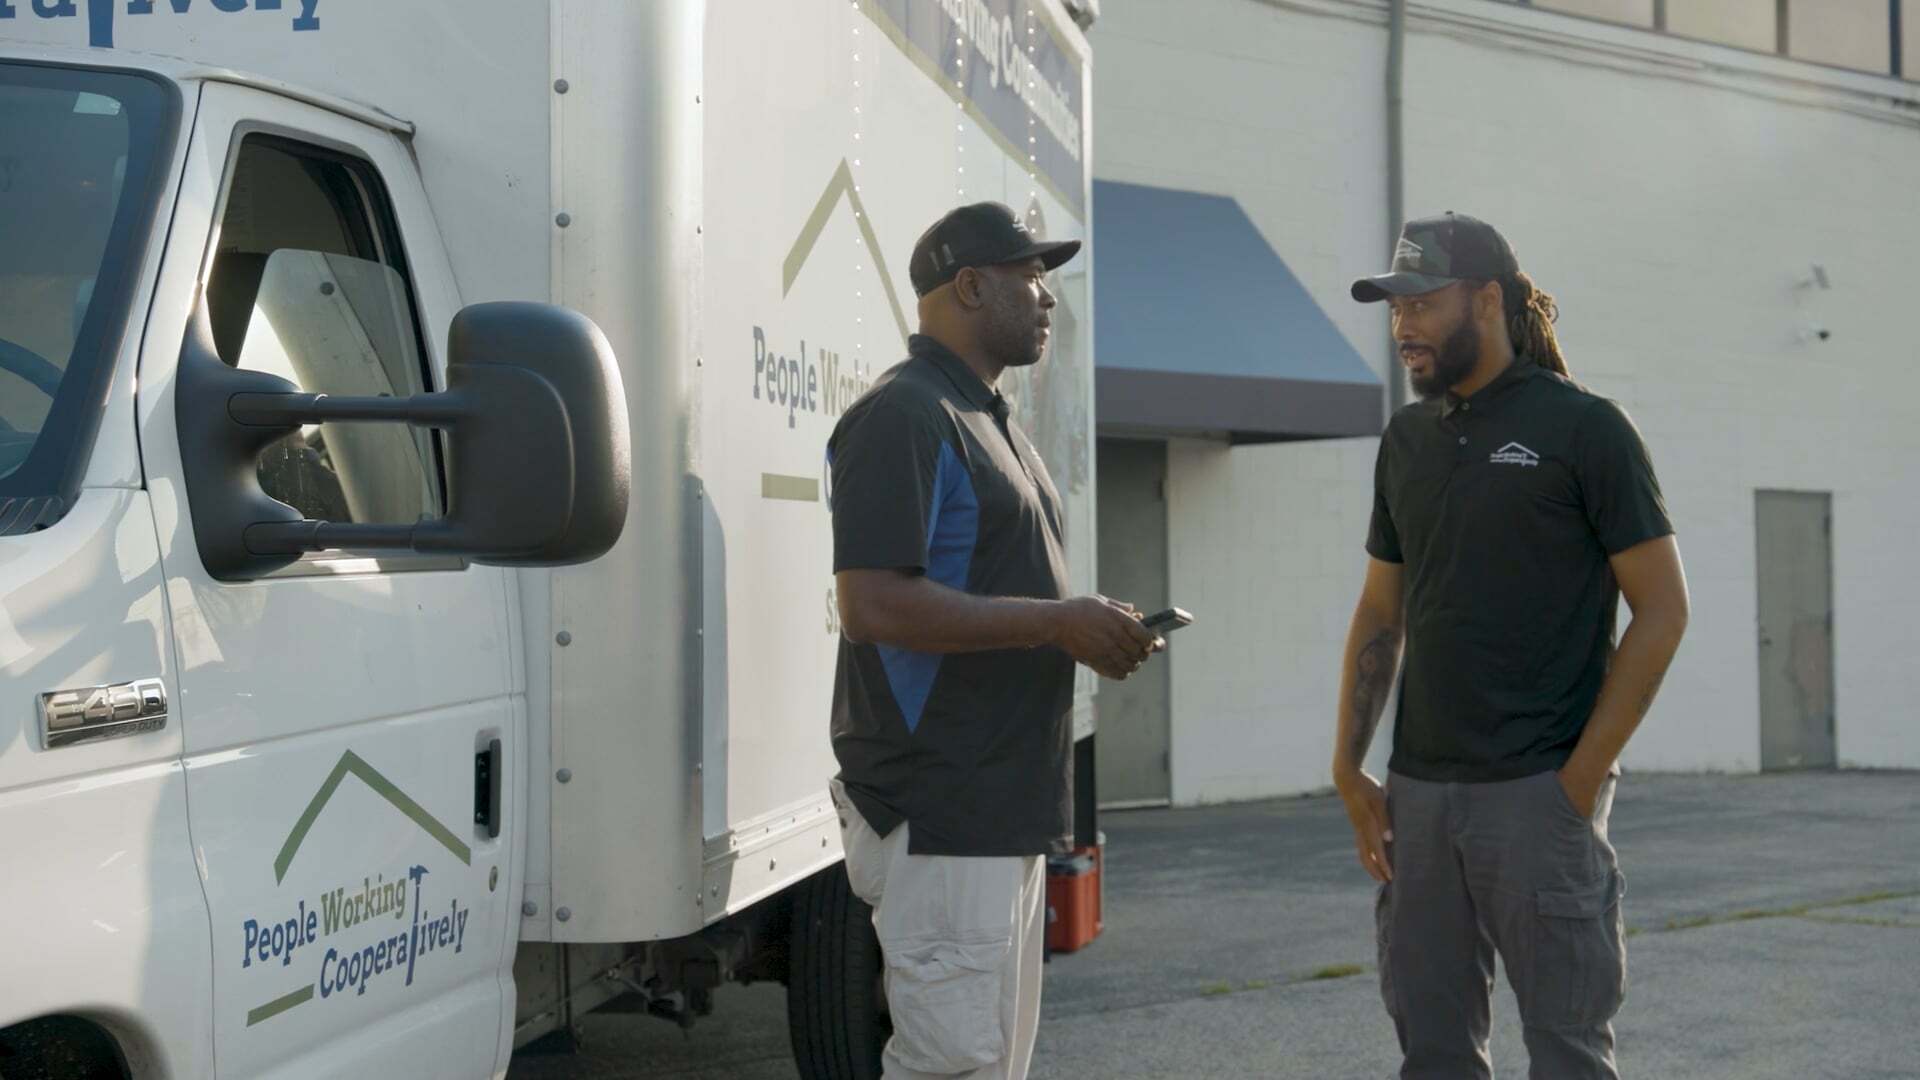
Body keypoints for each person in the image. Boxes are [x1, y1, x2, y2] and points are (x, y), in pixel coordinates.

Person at [1335, 212, 1691, 1079]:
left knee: (1567, 1054)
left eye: (1423, 302)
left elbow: (1662, 610)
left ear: (1487, 300)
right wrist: (1349, 768)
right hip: (1419, 797)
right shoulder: (1407, 439)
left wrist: (1580, 780)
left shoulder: (1586, 429)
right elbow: (1381, 611)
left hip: (1538, 794)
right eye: (1396, 307)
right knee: (1433, 1053)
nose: (1404, 324)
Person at [827, 201, 1162, 1080]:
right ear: (971, 286)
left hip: (996, 813)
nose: (1047, 296)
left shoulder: (988, 419)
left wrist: (1089, 624)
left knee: (989, 1067)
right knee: (952, 1067)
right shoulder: (904, 414)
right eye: (1032, 275)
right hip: (942, 811)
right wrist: (1058, 620)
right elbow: (871, 605)